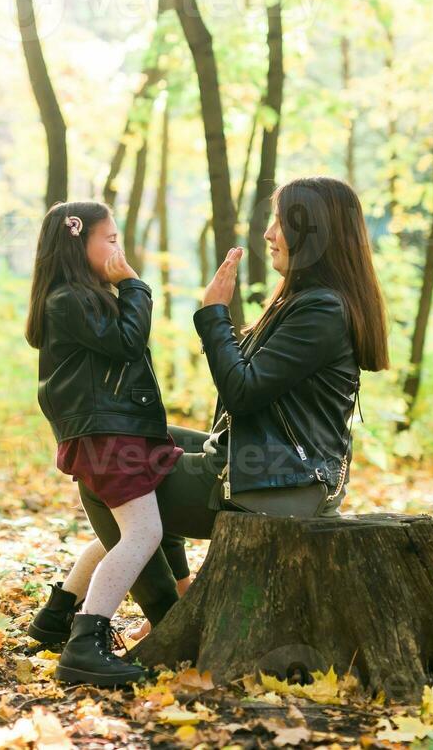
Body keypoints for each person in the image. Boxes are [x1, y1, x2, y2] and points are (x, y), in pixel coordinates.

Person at [78, 176, 391, 636]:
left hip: (281, 483)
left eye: (280, 222)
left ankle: (173, 623)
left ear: (315, 233)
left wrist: (214, 315)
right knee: (132, 444)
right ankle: (175, 602)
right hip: (267, 464)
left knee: (103, 468)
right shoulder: (308, 302)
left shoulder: (320, 310)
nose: (268, 234)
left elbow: (242, 391)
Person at [22, 200, 186, 686]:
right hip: (107, 436)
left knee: (119, 532)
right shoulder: (70, 300)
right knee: (142, 536)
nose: (119, 249)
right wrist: (135, 286)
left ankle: (57, 617)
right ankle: (85, 645)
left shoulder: (78, 296)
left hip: (109, 433)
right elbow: (127, 342)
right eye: (110, 240)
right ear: (79, 244)